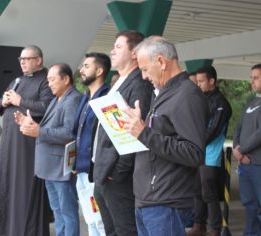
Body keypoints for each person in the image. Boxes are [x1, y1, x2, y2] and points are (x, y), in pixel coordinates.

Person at [123, 36, 208, 236]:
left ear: (161, 62)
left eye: (144, 69)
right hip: (148, 199)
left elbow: (194, 153)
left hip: (166, 202)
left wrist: (144, 133)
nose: (143, 77)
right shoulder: (164, 93)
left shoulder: (187, 95)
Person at [92, 30, 153, 236]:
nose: (112, 50)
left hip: (118, 176)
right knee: (111, 231)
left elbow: (135, 132)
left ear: (134, 52)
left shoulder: (139, 84)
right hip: (104, 171)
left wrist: (118, 172)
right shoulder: (119, 81)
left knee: (125, 230)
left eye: (118, 46)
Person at [0, 45, 54, 236]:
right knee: (5, 186)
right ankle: (4, 229)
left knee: (23, 189)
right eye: (21, 59)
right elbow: (0, 104)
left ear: (38, 60)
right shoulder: (17, 80)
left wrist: (19, 102)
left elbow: (47, 108)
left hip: (28, 147)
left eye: (27, 59)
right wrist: (5, 102)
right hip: (9, 143)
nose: (22, 62)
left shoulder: (45, 81)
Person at [18, 63, 82, 236]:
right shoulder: (56, 99)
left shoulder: (73, 99)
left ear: (66, 79)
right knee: (58, 211)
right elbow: (50, 127)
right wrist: (29, 123)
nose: (49, 84)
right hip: (49, 166)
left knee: (67, 212)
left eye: (52, 79)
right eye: (48, 80)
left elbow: (69, 133)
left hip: (61, 166)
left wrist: (39, 131)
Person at [188, 66, 232, 236]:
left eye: (201, 81)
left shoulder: (221, 103)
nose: (198, 85)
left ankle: (215, 227)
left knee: (209, 193)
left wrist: (193, 141)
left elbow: (212, 131)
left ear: (212, 81)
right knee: (197, 191)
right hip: (197, 153)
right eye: (197, 81)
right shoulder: (202, 99)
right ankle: (199, 225)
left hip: (211, 155)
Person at [74, 52, 111, 235]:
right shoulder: (86, 96)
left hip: (95, 172)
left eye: (86, 66)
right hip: (81, 169)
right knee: (90, 220)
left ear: (99, 71)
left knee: (100, 221)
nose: (81, 70)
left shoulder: (107, 97)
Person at [233, 63, 261, 236]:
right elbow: (238, 127)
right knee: (249, 206)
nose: (252, 81)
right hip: (245, 164)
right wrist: (237, 150)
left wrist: (241, 149)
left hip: (258, 165)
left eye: (256, 78)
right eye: (251, 78)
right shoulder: (251, 103)